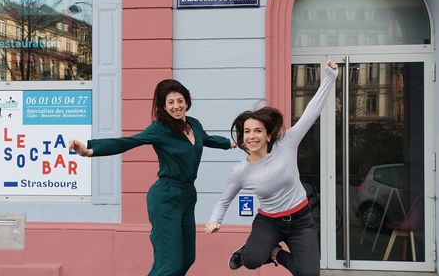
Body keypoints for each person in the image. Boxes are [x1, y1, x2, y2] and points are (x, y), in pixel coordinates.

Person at [69, 79, 236, 276]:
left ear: (187, 101)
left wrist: (232, 143)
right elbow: (128, 142)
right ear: (164, 106)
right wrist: (89, 150)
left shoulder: (194, 124)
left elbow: (206, 139)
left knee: (187, 258)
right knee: (169, 264)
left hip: (187, 195)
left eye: (180, 100)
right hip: (166, 196)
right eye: (170, 102)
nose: (176, 106)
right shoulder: (160, 128)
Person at [205, 60, 339, 275]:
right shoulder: (240, 171)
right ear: (242, 138)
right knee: (250, 260)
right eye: (247, 132)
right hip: (269, 222)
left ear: (268, 135)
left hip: (301, 220)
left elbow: (311, 112)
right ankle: (255, 250)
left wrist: (329, 78)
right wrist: (214, 221)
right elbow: (224, 200)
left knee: (309, 274)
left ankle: (275, 253)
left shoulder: (287, 143)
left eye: (257, 131)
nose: (252, 136)